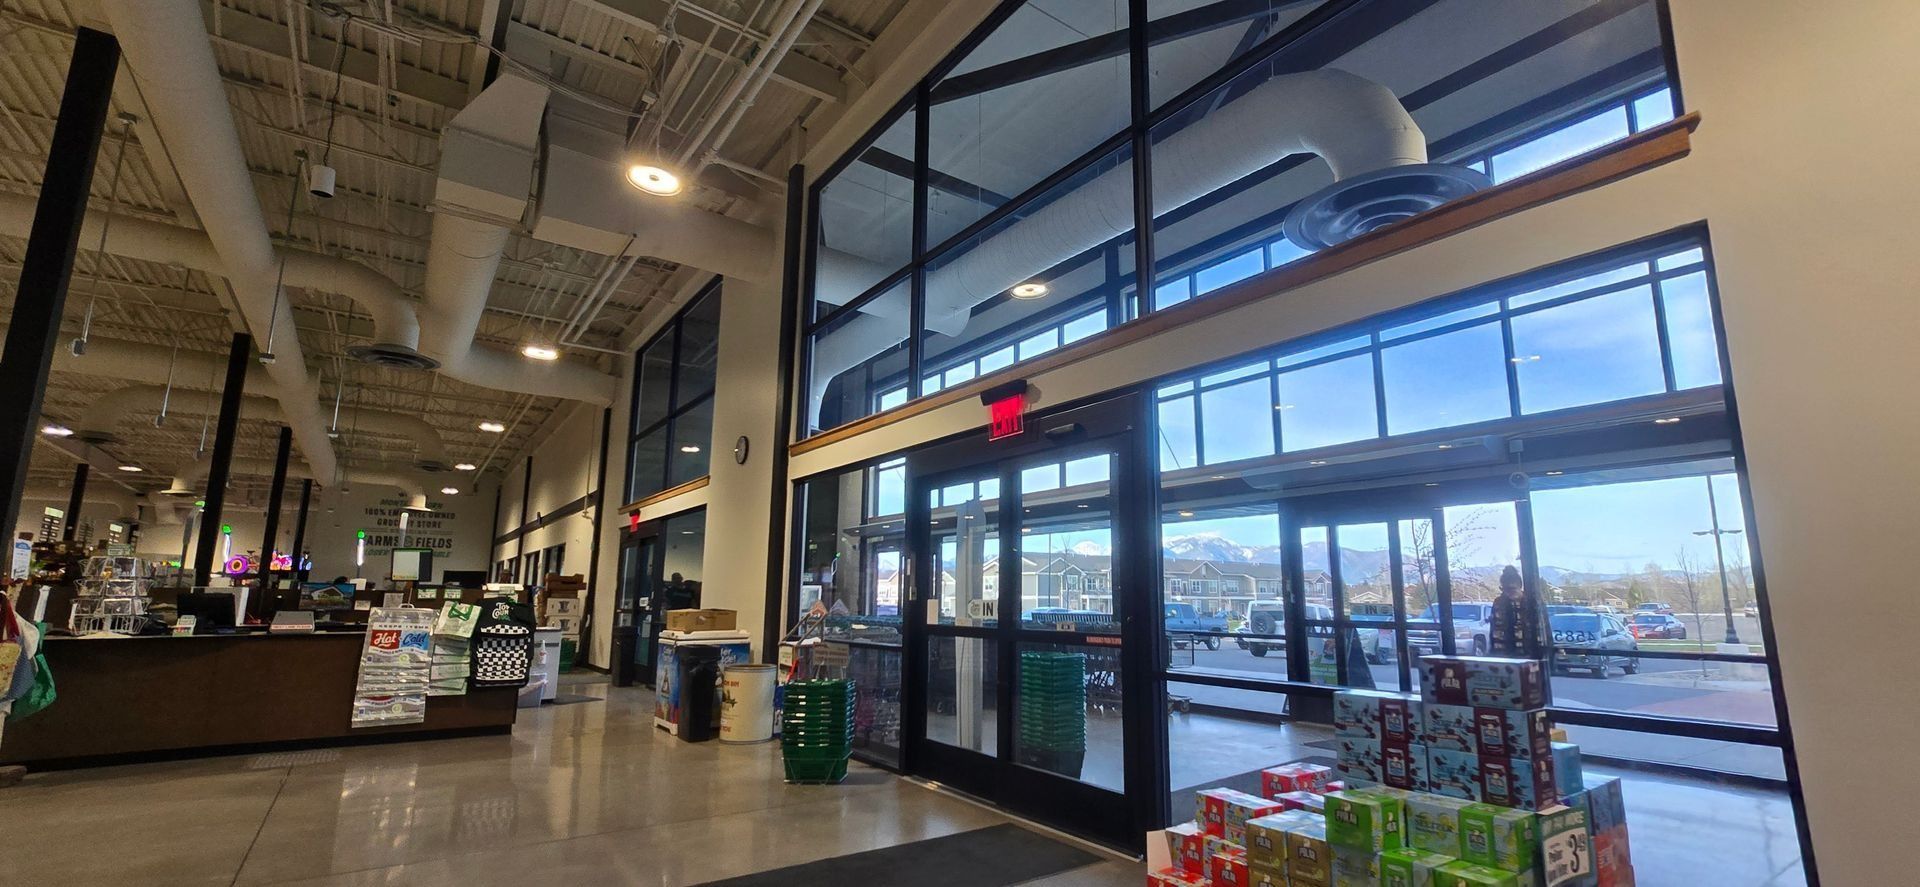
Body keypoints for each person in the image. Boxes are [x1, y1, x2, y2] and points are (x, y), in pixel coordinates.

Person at [1488, 565, 1545, 658]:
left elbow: (1541, 630)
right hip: (1504, 655)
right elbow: (1495, 630)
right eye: (1504, 589)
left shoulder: (1531, 603)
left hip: (1529, 655)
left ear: (1520, 586)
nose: (1508, 592)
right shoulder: (1499, 603)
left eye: (1512, 589)